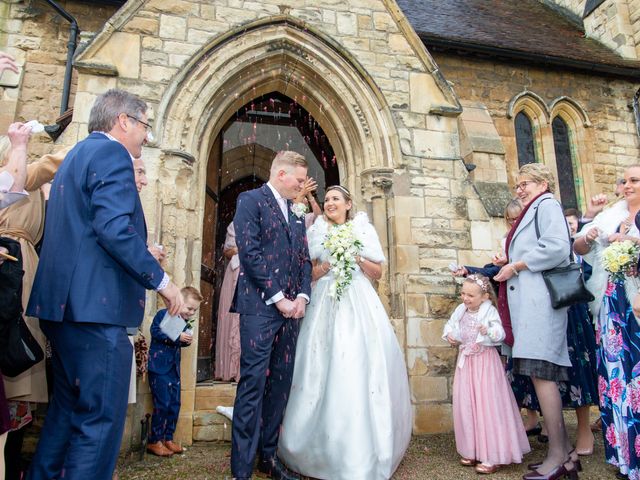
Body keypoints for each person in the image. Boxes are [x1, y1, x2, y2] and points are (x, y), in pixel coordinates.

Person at [25, 89, 183, 480]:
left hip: (64, 310)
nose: (147, 136)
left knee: (66, 413)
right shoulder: (113, 154)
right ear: (123, 121)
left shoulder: (77, 155)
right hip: (96, 312)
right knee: (99, 422)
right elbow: (113, 229)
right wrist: (162, 281)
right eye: (145, 125)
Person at [278, 186, 412, 480]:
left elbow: (378, 272)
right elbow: (309, 273)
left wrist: (355, 256)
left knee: (356, 362)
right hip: (326, 300)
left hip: (359, 299)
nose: (329, 203)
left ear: (348, 204)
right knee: (320, 365)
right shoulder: (317, 231)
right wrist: (327, 264)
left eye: (336, 199)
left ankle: (361, 445)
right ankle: (315, 443)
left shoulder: (362, 228)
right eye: (326, 200)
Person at [230, 150, 312, 480]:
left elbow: (304, 258)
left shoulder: (295, 211)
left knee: (280, 386)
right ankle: (242, 468)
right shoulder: (250, 200)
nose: (302, 185)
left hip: (293, 313)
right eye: (298, 178)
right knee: (252, 385)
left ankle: (269, 457)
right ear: (281, 174)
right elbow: (249, 253)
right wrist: (279, 299)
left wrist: (303, 296)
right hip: (260, 310)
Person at [493, 163, 577, 479]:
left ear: (542, 183)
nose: (519, 190)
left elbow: (557, 247)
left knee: (543, 375)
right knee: (541, 375)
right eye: (518, 185)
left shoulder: (547, 205)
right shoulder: (536, 208)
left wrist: (517, 265)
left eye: (524, 184)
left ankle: (557, 456)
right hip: (530, 305)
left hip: (541, 304)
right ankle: (566, 454)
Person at [0, 132, 71, 480]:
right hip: (9, 269)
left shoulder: (28, 177)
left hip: (27, 270)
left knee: (20, 374)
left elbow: (49, 165)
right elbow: (41, 167)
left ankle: (13, 462)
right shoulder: (11, 182)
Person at [574, 165, 640, 479]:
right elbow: (579, 248)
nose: (627, 185)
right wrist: (588, 231)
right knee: (617, 378)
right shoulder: (611, 213)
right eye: (623, 181)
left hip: (637, 303)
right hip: (612, 304)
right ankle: (624, 457)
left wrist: (630, 243)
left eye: (634, 180)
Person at [444, 274, 530, 474]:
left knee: (487, 405)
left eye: (471, 295)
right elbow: (451, 325)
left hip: (485, 363)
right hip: (466, 364)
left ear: (484, 297)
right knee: (467, 403)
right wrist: (450, 335)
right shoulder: (461, 310)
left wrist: (489, 331)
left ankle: (493, 453)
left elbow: (500, 334)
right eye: (463, 293)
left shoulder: (489, 311)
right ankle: (472, 449)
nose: (465, 298)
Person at [147, 286, 202, 457]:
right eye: (189, 308)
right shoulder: (164, 314)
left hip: (173, 370)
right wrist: (177, 337)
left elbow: (182, 343)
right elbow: (155, 332)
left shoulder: (184, 323)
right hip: (159, 367)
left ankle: (167, 438)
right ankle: (154, 441)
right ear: (179, 301)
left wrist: (186, 340)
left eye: (195, 310)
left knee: (174, 404)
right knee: (162, 403)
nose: (192, 312)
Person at [214, 223, 240, 382]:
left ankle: (245, 370)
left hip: (256, 274)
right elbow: (227, 251)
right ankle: (230, 368)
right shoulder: (234, 224)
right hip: (236, 273)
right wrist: (245, 248)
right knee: (232, 316)